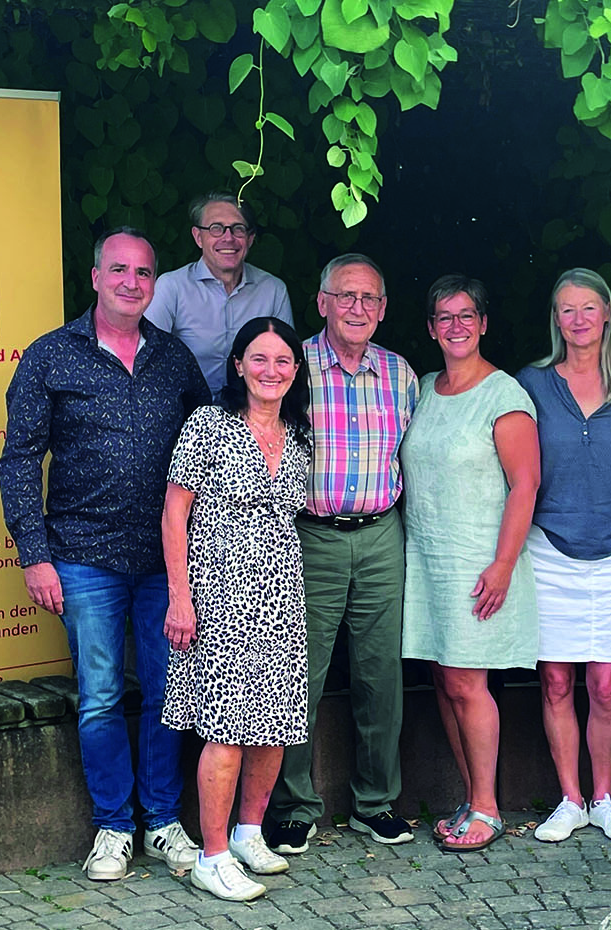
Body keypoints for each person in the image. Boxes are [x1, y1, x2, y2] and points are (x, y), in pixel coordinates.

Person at [0, 227, 212, 881]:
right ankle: (114, 827)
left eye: (143, 273)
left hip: (163, 564)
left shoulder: (175, 359)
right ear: (94, 278)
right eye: (118, 270)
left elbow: (207, 447)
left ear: (154, 283)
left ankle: (164, 821)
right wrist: (34, 554)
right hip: (82, 558)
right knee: (97, 698)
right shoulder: (50, 356)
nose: (130, 282)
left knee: (167, 695)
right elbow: (18, 459)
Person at [268, 254, 419, 852]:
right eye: (345, 296)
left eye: (369, 299)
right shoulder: (290, 364)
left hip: (383, 533)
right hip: (310, 534)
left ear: (382, 310)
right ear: (323, 301)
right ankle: (296, 806)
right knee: (295, 674)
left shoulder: (400, 372)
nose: (357, 308)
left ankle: (376, 803)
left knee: (381, 676)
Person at [161, 317, 312, 901]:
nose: (271, 371)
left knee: (274, 726)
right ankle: (213, 853)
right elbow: (175, 513)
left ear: (294, 370)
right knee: (224, 730)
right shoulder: (209, 424)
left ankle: (250, 832)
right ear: (238, 365)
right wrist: (180, 597)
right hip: (220, 595)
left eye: (282, 361)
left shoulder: (299, 432)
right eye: (259, 358)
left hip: (282, 593)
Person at [400, 274, 541, 852]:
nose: (455, 326)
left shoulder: (504, 394)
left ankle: (487, 805)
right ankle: (470, 796)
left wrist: (504, 563)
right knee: (443, 675)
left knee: (467, 681)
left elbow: (526, 484)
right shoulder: (425, 387)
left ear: (483, 323)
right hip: (427, 556)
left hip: (478, 557)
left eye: (467, 315)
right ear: (431, 328)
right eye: (444, 317)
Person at [516, 269, 611, 845]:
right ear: (555, 319)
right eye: (566, 309)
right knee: (557, 683)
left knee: (607, 684)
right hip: (548, 548)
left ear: (607, 314)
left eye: (588, 307)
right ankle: (570, 799)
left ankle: (605, 797)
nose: (578, 319)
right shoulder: (533, 384)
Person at [146, 193, 294, 393]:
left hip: (253, 413)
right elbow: (148, 360)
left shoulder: (273, 290)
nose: (228, 238)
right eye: (216, 229)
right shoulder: (172, 287)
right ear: (198, 237)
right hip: (185, 412)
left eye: (238, 229)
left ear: (250, 239)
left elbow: (285, 360)